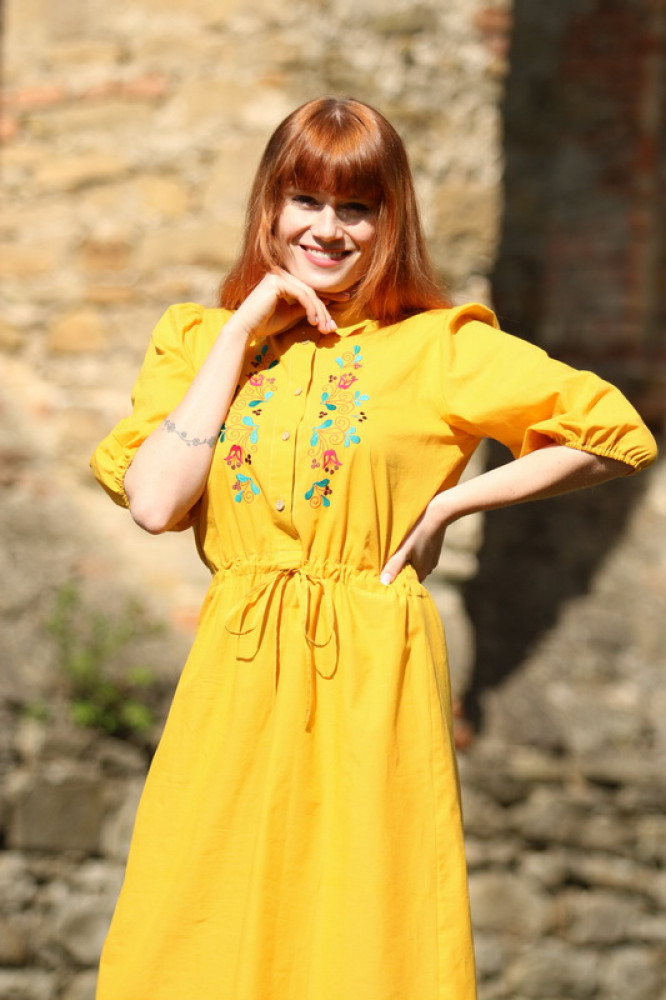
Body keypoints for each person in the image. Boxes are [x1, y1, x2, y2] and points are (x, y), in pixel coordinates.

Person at [90, 97, 658, 1000]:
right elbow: (156, 502)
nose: (328, 229)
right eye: (306, 200)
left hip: (370, 671)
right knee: (197, 920)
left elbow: (614, 431)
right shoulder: (196, 341)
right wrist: (241, 332)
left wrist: (452, 505)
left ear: (390, 219)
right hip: (236, 670)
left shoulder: (438, 347)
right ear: (270, 204)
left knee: (364, 931)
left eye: (355, 207)